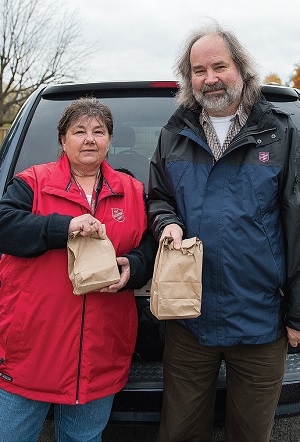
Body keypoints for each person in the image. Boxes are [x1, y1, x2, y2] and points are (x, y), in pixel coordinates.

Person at [148, 21, 300, 442]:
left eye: (220, 66)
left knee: (251, 434)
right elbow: (158, 198)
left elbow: (298, 227)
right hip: (188, 320)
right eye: (199, 70)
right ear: (189, 78)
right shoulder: (173, 136)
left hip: (260, 321)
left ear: (242, 70)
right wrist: (169, 222)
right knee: (177, 432)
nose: (210, 79)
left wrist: (298, 313)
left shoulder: (282, 134)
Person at [0, 97, 157, 442]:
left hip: (100, 352)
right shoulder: (32, 182)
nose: (90, 139)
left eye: (99, 131)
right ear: (62, 140)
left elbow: (148, 244)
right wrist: (64, 227)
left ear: (109, 140)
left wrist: (137, 265)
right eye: (79, 131)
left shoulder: (132, 191)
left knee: (84, 438)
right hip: (33, 352)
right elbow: (5, 226)